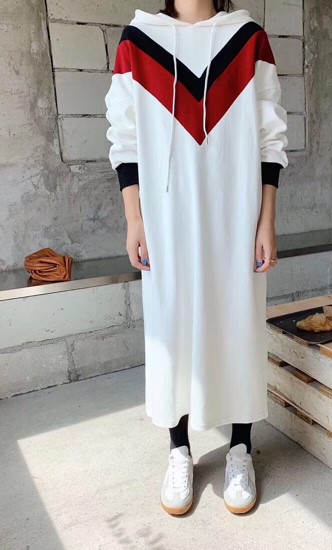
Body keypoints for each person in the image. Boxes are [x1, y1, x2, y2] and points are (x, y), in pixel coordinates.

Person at [104, 0, 288, 516]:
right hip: (166, 220)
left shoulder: (248, 39)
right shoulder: (138, 42)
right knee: (172, 325)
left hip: (236, 214)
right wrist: (135, 220)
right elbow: (125, 136)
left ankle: (240, 449)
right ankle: (179, 450)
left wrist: (266, 220)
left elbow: (270, 136)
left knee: (238, 323)